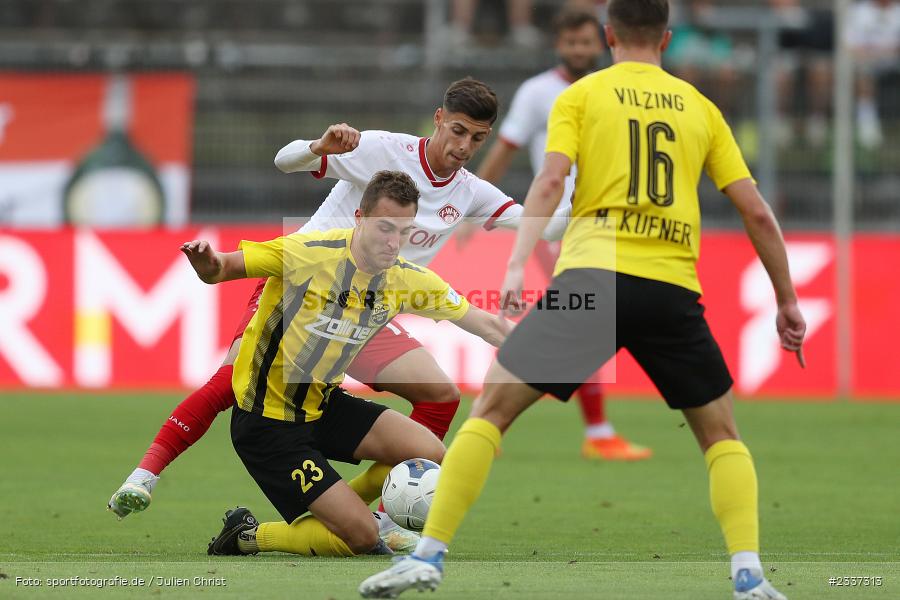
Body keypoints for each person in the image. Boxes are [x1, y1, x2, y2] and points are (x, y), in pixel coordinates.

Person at [360, 1, 806, 599]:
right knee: (722, 436)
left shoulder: (581, 96)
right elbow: (755, 209)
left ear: (609, 35)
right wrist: (787, 299)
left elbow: (547, 182)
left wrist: (516, 263)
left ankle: (429, 559)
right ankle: (749, 576)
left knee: (491, 412)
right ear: (667, 39)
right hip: (672, 287)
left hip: (592, 282)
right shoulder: (701, 109)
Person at [107, 79, 568, 543]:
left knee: (440, 395)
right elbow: (284, 160)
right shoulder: (382, 150)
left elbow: (543, 227)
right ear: (438, 120)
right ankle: (145, 475)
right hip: (303, 294)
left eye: (478, 138)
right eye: (458, 131)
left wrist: (598, 200)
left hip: (368, 314)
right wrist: (317, 147)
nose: (464, 146)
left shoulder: (469, 192)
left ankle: (384, 512)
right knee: (234, 382)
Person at [183, 171, 512, 558]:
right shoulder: (309, 252)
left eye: (403, 232)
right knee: (358, 540)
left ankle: (342, 510)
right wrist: (206, 261)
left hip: (323, 407)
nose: (393, 243)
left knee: (433, 453)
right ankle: (247, 535)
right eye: (384, 228)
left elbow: (485, 322)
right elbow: (222, 268)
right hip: (268, 425)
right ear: (359, 217)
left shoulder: (405, 278)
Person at [474, 5, 650, 461]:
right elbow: (505, 150)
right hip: (561, 227)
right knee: (580, 320)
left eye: (585, 41)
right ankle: (592, 430)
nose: (578, 49)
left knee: (574, 322)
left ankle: (490, 420)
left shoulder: (616, 90)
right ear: (559, 45)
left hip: (611, 225)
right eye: (570, 42)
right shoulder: (539, 92)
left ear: (603, 42)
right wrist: (472, 203)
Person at [846, 0, 900, 149]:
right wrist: (874, 53)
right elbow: (850, 46)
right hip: (869, 62)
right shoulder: (859, 11)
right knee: (863, 73)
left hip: (895, 62)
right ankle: (867, 128)